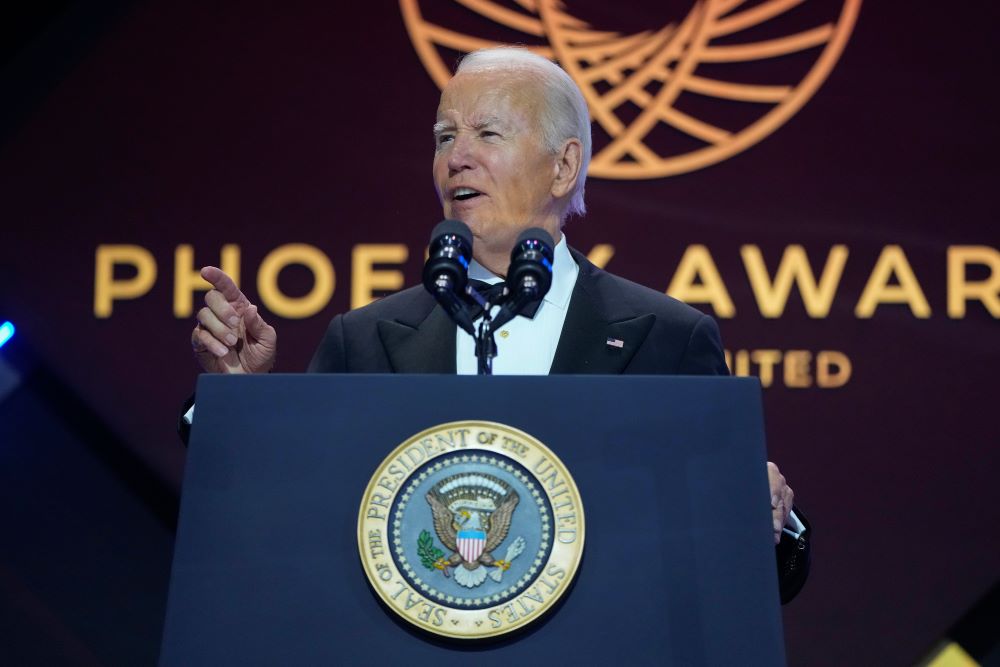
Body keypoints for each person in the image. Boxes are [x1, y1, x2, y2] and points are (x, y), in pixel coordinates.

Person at [187, 47, 810, 601]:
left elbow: (754, 566)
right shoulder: (367, 337)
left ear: (563, 168)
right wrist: (244, 401)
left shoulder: (667, 338)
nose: (457, 158)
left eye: (487, 133)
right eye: (442, 137)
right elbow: (283, 527)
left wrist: (765, 517)